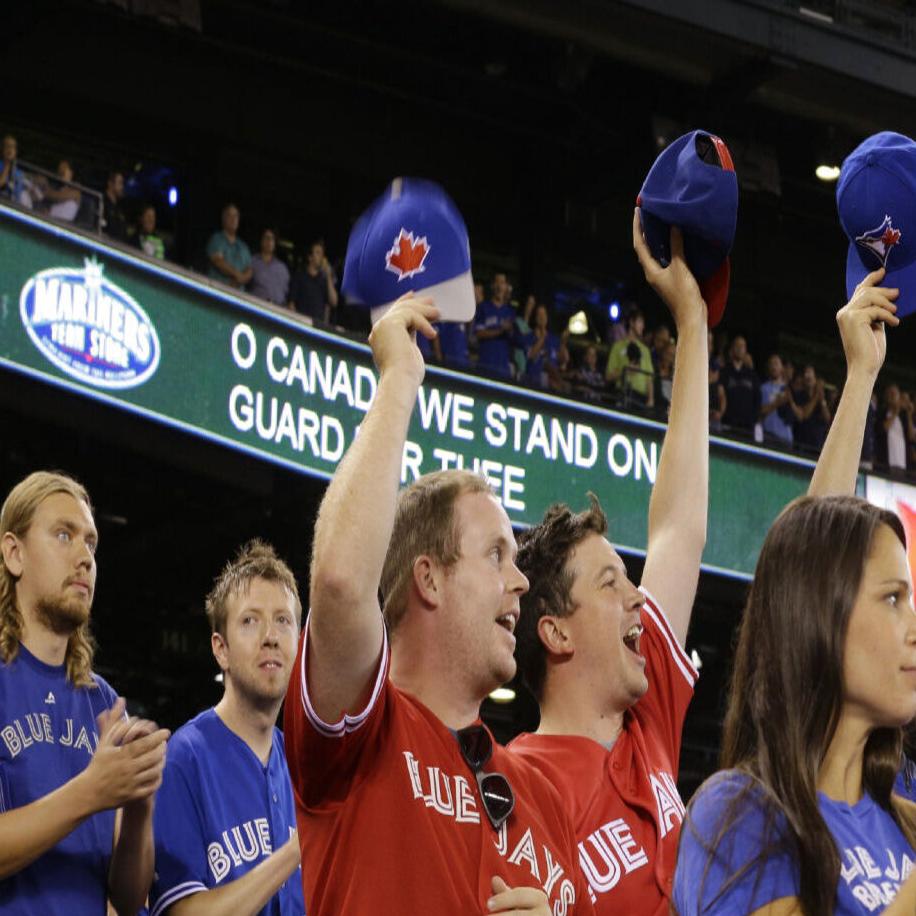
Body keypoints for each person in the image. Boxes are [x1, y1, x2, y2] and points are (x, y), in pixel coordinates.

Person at [283, 293, 594, 915]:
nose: (523, 582)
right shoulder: (361, 732)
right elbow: (342, 581)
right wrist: (400, 379)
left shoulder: (543, 797)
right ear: (429, 579)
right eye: (495, 555)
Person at [673, 268, 916, 915]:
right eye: (893, 599)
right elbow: (811, 560)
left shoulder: (905, 814)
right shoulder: (738, 814)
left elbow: (819, 553)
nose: (913, 625)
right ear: (822, 622)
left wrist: (863, 374)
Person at [508, 213, 708, 915]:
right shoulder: (515, 781)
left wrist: (692, 324)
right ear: (556, 632)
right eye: (610, 583)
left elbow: (680, 528)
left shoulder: (647, 713)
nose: (637, 598)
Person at [0, 471, 169, 914]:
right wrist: (92, 791)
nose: (85, 558)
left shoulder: (104, 704)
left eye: (91, 543)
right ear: (14, 553)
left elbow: (129, 899)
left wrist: (138, 809)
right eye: (63, 535)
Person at [149, 540, 303, 916]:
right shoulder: (183, 760)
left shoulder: (303, 769)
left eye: (283, 620)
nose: (270, 636)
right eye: (250, 621)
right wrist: (298, 849)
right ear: (221, 649)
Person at [605, 307, 654, 405]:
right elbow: (608, 376)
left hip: (641, 400)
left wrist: (651, 400)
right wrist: (625, 370)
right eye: (640, 322)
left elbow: (649, 378)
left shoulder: (645, 350)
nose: (642, 326)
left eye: (643, 323)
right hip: (622, 395)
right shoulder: (618, 347)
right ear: (631, 322)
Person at [473, 272, 515, 377]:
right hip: (485, 364)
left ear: (506, 287)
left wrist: (510, 330)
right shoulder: (483, 307)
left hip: (503, 368)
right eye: (497, 282)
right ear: (492, 286)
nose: (499, 286)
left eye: (502, 283)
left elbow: (514, 338)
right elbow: (479, 334)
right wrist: (500, 330)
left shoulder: (510, 312)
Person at [288, 240, 338, 322]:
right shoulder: (300, 275)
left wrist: (328, 275)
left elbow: (334, 302)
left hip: (318, 325)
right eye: (318, 253)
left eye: (322, 253)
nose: (321, 256)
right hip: (301, 321)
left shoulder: (324, 279)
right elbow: (291, 303)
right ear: (310, 257)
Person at [207, 203, 253, 290]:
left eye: (236, 216)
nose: (233, 219)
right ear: (223, 218)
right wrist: (237, 275)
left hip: (238, 296)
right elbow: (218, 261)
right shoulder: (217, 239)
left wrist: (240, 280)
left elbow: (249, 270)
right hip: (217, 291)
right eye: (230, 216)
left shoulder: (243, 246)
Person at [719, 335, 760, 433]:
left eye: (742, 346)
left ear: (745, 350)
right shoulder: (724, 371)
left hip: (747, 428)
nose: (740, 349)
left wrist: (753, 420)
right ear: (732, 349)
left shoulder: (752, 375)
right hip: (728, 425)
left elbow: (757, 400)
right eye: (737, 346)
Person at [789, 364, 832, 453]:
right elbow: (805, 415)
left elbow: (828, 419)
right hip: (802, 444)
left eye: (810, 373)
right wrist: (817, 395)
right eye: (805, 373)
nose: (807, 376)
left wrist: (822, 400)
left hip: (817, 445)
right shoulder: (799, 395)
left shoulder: (824, 395)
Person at [249, 228, 290, 306]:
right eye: (267, 238)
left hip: (276, 311)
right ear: (261, 241)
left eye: (272, 239)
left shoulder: (282, 268)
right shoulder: (252, 261)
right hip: (256, 307)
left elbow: (285, 294)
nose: (269, 241)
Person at [102, 171, 128, 243]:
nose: (122, 187)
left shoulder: (119, 209)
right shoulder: (101, 202)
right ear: (110, 183)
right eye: (120, 183)